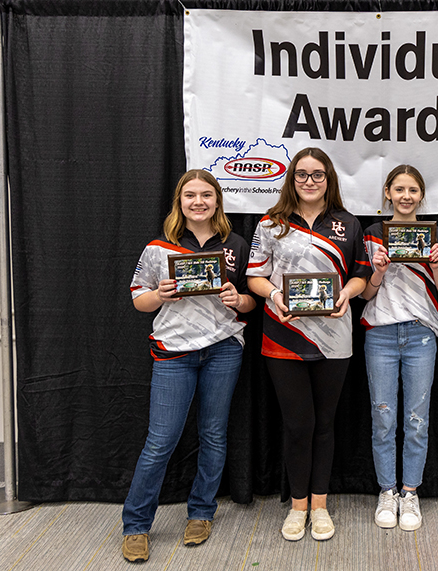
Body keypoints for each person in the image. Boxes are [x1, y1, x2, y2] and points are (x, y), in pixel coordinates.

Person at [121, 169, 256, 563]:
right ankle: (136, 525)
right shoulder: (158, 248)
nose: (199, 202)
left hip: (223, 348)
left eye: (206, 195)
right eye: (190, 196)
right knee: (160, 441)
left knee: (213, 435)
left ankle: (201, 513)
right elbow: (137, 300)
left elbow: (251, 302)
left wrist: (238, 299)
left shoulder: (235, 244)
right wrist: (160, 295)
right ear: (180, 202)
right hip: (174, 352)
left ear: (218, 201)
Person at [247, 147, 371, 541]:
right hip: (283, 336)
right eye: (302, 174)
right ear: (292, 179)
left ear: (329, 179)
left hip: (335, 338)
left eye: (318, 174)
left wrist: (345, 295)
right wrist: (273, 296)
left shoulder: (349, 223)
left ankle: (320, 505)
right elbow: (254, 276)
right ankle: (297, 506)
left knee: (325, 425)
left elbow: (361, 275)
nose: (310, 181)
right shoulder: (271, 223)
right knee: (298, 425)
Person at [359, 165, 438, 531]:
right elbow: (365, 294)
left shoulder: (436, 235)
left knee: (416, 421)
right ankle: (387, 491)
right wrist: (378, 271)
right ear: (387, 192)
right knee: (383, 419)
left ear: (421, 195)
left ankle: (410, 492)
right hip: (380, 335)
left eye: (413, 190)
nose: (406, 196)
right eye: (399, 189)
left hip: (421, 336)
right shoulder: (371, 235)